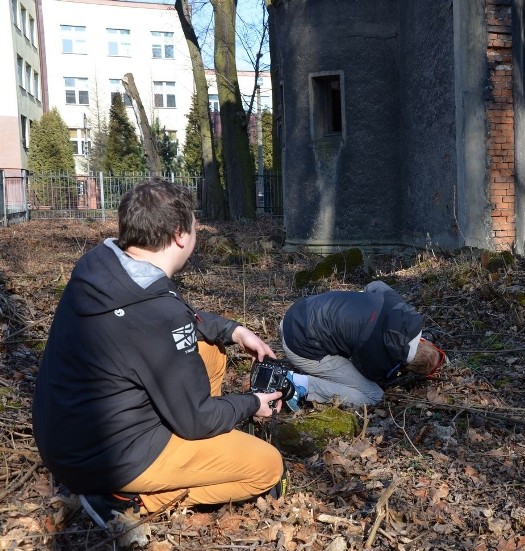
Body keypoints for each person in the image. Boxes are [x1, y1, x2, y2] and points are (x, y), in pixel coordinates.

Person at [33, 179, 286, 529]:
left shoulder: (104, 265)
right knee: (267, 466)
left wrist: (234, 330)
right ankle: (122, 501)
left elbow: (172, 319)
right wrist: (251, 403)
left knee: (211, 350)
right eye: (196, 227)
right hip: (109, 457)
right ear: (181, 234)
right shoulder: (155, 311)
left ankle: (187, 450)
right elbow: (193, 413)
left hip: (68, 436)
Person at [279, 281, 446, 407]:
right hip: (298, 344)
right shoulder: (379, 357)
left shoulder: (399, 306)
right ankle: (298, 385)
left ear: (424, 339)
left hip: (302, 308)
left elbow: (375, 284)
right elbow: (366, 374)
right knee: (373, 395)